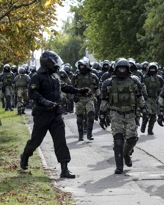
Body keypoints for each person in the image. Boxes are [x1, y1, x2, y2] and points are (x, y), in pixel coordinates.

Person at [20, 50, 90, 178]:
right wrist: (45, 102)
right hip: (42, 115)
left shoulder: (55, 76)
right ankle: (25, 155)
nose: (56, 65)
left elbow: (64, 87)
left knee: (60, 142)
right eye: (54, 62)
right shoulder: (37, 76)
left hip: (56, 114)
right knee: (35, 141)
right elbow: (33, 93)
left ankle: (64, 169)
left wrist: (79, 91)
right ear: (47, 63)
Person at [101, 58, 148, 174]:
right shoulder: (108, 82)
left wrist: (144, 109)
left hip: (131, 113)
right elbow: (104, 99)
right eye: (120, 68)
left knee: (132, 139)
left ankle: (126, 153)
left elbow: (139, 96)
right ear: (116, 69)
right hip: (116, 113)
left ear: (128, 69)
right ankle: (119, 166)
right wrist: (102, 114)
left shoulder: (134, 81)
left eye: (124, 68)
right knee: (118, 140)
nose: (122, 70)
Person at [72, 59, 100, 141]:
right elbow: (71, 87)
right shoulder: (76, 76)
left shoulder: (93, 76)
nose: (81, 67)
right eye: (80, 66)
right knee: (79, 118)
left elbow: (97, 88)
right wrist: (74, 96)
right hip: (79, 98)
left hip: (89, 98)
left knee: (91, 116)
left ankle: (89, 134)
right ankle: (80, 135)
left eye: (83, 66)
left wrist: (99, 98)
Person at [141, 62, 164, 135]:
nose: (152, 70)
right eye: (151, 69)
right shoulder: (144, 78)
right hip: (147, 98)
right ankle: (144, 124)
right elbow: (141, 87)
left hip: (155, 98)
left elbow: (162, 89)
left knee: (154, 116)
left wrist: (160, 97)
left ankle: (150, 130)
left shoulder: (159, 78)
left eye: (154, 69)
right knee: (148, 114)